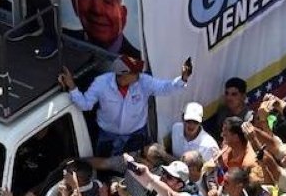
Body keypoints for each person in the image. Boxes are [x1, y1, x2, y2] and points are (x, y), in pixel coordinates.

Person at [60, 54, 191, 157]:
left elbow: (165, 88)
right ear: (123, 75)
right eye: (134, 73)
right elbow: (85, 105)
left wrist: (183, 78)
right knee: (106, 166)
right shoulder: (101, 83)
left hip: (136, 136)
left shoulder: (144, 81)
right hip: (107, 136)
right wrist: (72, 87)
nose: (139, 75)